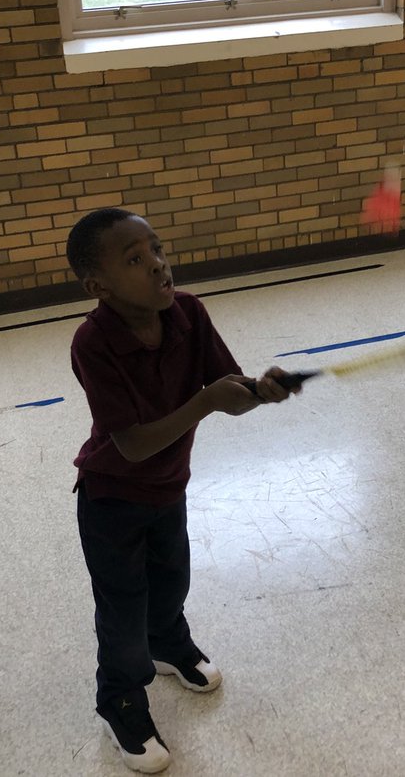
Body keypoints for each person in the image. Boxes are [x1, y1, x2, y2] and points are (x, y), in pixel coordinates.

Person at [66, 208, 298, 773]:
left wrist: (260, 390)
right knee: (122, 608)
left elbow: (230, 388)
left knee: (172, 579)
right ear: (98, 286)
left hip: (170, 487)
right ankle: (119, 697)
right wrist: (206, 402)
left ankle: (167, 643)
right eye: (135, 260)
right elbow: (133, 446)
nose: (157, 265)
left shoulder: (189, 312)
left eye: (156, 249)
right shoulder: (92, 344)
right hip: (112, 499)